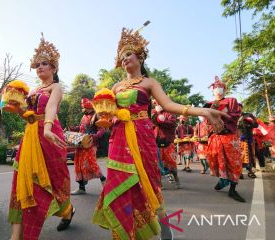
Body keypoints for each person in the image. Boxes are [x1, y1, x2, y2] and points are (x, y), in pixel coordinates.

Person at [92, 27, 228, 240]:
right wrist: (103, 117)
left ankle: (163, 221)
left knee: (149, 181)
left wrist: (202, 111)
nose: (125, 59)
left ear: (140, 56)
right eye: (121, 56)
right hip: (119, 137)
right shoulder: (116, 86)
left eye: (128, 54)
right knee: (119, 183)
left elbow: (168, 104)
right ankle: (124, 231)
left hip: (142, 136)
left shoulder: (149, 82)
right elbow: (107, 115)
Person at [8, 34, 75, 240]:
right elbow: (28, 116)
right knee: (23, 180)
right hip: (30, 136)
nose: (40, 67)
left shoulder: (56, 87)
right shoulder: (33, 90)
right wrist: (17, 108)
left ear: (54, 68)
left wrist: (46, 128)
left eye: (44, 63)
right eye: (37, 64)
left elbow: (51, 107)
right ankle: (16, 235)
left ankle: (67, 210)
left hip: (49, 134)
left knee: (54, 182)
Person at [205, 76, 245, 202]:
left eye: (220, 87)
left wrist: (222, 113)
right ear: (212, 90)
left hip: (229, 136)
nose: (218, 89)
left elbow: (236, 115)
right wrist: (213, 110)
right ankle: (223, 181)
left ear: (225, 89)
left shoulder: (231, 100)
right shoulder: (209, 104)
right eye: (215, 87)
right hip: (216, 137)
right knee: (217, 161)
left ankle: (232, 189)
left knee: (234, 162)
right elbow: (206, 121)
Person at [71, 98, 106, 195]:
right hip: (81, 144)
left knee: (91, 164)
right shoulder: (84, 116)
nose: (83, 109)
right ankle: (81, 188)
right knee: (79, 165)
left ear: (89, 107)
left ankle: (105, 184)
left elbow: (102, 130)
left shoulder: (97, 115)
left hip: (90, 144)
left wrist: (93, 137)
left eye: (84, 107)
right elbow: (81, 128)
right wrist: (73, 128)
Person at [152, 101, 181, 188]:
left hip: (168, 142)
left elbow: (172, 123)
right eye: (155, 103)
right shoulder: (153, 113)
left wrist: (162, 121)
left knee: (171, 163)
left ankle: (176, 179)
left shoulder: (169, 114)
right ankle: (159, 183)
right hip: (156, 142)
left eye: (159, 103)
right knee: (157, 164)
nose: (157, 105)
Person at [238, 113, 258, 178]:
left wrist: (252, 116)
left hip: (249, 143)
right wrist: (243, 117)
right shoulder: (240, 124)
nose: (246, 123)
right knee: (241, 157)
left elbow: (256, 125)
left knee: (250, 157)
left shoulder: (250, 124)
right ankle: (240, 173)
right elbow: (239, 123)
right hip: (242, 143)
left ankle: (250, 172)